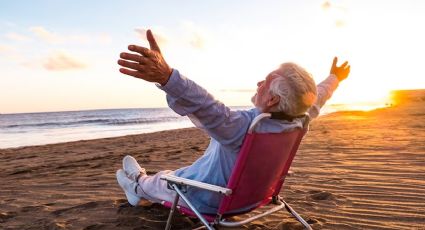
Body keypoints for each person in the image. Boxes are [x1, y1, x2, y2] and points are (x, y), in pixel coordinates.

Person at [116, 29, 350, 214]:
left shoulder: (245, 128)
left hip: (208, 198)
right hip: (255, 196)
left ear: (271, 99)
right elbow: (319, 95)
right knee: (176, 174)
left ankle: (136, 185)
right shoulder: (300, 118)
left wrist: (166, 76)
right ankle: (141, 182)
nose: (259, 82)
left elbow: (205, 105)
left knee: (166, 181)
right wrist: (335, 78)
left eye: (266, 81)